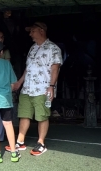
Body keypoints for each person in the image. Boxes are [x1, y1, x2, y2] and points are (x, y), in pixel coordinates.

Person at [12, 22, 63, 156]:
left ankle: (41, 143)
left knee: (42, 116)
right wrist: (19, 82)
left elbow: (55, 69)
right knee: (24, 114)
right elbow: (28, 68)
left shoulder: (53, 48)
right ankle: (20, 142)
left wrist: (51, 87)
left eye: (32, 31)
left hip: (43, 88)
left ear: (41, 31)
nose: (30, 34)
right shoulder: (32, 48)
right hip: (27, 88)